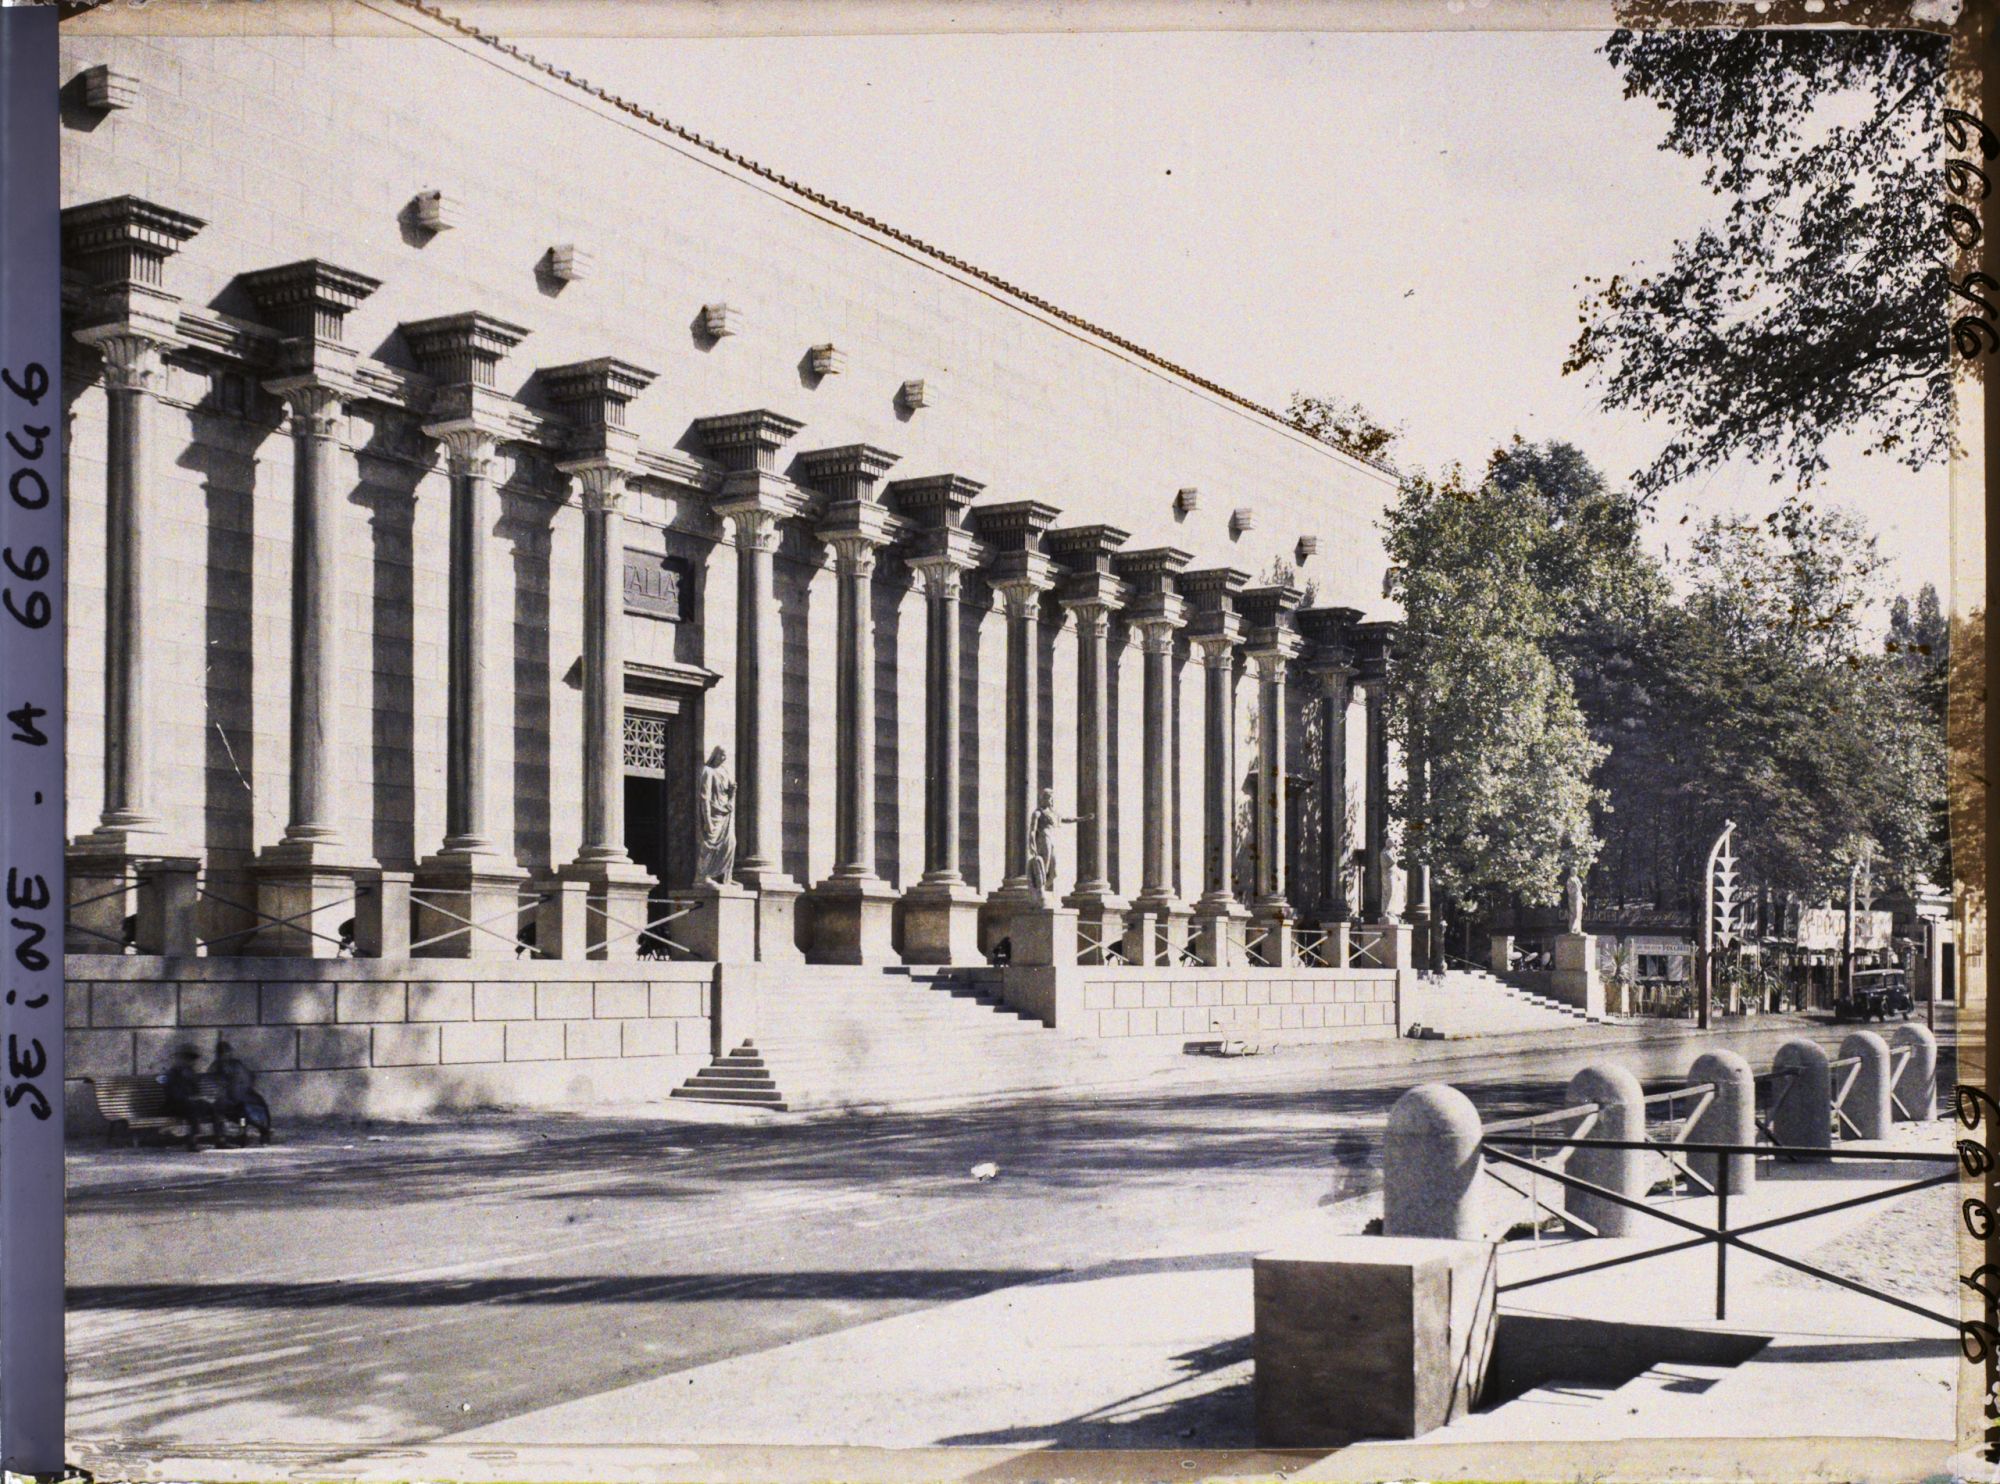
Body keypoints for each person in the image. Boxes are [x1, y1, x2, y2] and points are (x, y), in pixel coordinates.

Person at [207, 1040, 272, 1145]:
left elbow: (247, 1078)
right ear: (220, 1054)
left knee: (253, 1107)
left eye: (228, 1052)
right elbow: (215, 1085)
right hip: (227, 1101)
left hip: (240, 1098)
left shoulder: (236, 1064)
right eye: (224, 1053)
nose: (227, 1055)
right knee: (244, 1111)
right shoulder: (217, 1067)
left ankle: (251, 1132)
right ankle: (256, 1132)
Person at [159, 1045, 225, 1149]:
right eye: (187, 1059)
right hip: (173, 1106)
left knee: (212, 1106)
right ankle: (193, 1140)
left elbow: (196, 1092)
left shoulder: (190, 1073)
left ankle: (220, 1139)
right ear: (180, 1060)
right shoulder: (171, 1074)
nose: (190, 1063)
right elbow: (174, 1095)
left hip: (188, 1104)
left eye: (191, 1060)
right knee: (192, 1107)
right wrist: (193, 1098)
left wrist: (202, 1098)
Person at [696, 746, 737, 885]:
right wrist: (707, 819)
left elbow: (728, 794)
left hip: (725, 812)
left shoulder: (725, 771)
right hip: (713, 814)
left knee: (730, 842)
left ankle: (725, 877)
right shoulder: (708, 771)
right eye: (721, 755)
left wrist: (732, 793)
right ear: (715, 755)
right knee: (709, 844)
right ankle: (702, 876)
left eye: (725, 756)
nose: (723, 759)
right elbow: (704, 797)